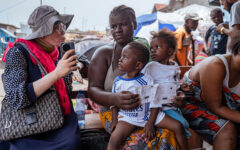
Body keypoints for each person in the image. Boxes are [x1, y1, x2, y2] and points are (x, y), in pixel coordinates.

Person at [88, 5, 179, 149]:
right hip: (115, 113)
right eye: (113, 26)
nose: (117, 30)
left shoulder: (146, 51)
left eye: (123, 24)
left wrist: (174, 95)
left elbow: (162, 78)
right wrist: (115, 99)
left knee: (167, 134)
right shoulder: (104, 53)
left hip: (147, 111)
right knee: (139, 142)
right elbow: (93, 89)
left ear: (134, 25)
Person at [3, 5, 81, 150]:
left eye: (63, 26)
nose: (63, 31)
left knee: (72, 142)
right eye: (58, 27)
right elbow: (15, 98)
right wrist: (56, 73)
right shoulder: (17, 53)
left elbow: (70, 86)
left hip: (62, 120)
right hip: (30, 126)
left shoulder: (59, 52)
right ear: (44, 32)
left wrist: (76, 70)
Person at [108, 41, 189, 150]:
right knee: (114, 139)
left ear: (138, 65)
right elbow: (114, 103)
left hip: (150, 115)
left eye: (125, 57)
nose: (120, 59)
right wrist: (114, 120)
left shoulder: (147, 80)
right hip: (129, 117)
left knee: (178, 127)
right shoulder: (118, 82)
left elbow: (155, 103)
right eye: (121, 56)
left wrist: (150, 123)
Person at [180, 30, 240, 150]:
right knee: (226, 130)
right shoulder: (216, 65)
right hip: (186, 104)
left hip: (221, 109)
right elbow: (215, 107)